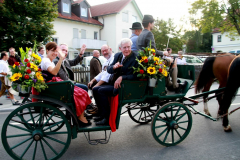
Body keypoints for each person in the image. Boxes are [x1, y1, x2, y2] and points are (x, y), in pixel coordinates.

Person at [41, 42, 91, 126]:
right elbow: (54, 72)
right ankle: (80, 115)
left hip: (59, 83)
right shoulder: (49, 61)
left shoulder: (51, 61)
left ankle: (82, 113)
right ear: (47, 51)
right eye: (53, 51)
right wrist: (61, 59)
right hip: (58, 85)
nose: (55, 53)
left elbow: (74, 62)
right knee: (81, 91)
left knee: (82, 90)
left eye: (56, 51)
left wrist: (81, 53)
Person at [93, 38, 138, 125]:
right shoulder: (118, 56)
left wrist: (122, 77)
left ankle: (107, 118)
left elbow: (136, 76)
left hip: (125, 86)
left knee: (101, 91)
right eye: (124, 47)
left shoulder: (135, 57)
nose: (127, 49)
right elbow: (109, 70)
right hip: (115, 84)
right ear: (120, 48)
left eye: (128, 47)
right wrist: (114, 67)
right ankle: (101, 113)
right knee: (95, 89)